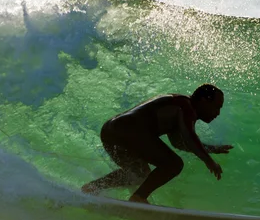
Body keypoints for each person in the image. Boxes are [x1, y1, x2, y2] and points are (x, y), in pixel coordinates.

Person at [81, 84, 233, 204]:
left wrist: (212, 149)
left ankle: (92, 188)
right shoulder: (186, 107)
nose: (218, 113)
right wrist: (209, 161)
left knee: (139, 173)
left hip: (111, 131)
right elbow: (189, 137)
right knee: (174, 164)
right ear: (203, 101)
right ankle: (139, 198)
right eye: (217, 106)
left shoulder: (180, 109)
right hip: (127, 129)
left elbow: (179, 143)